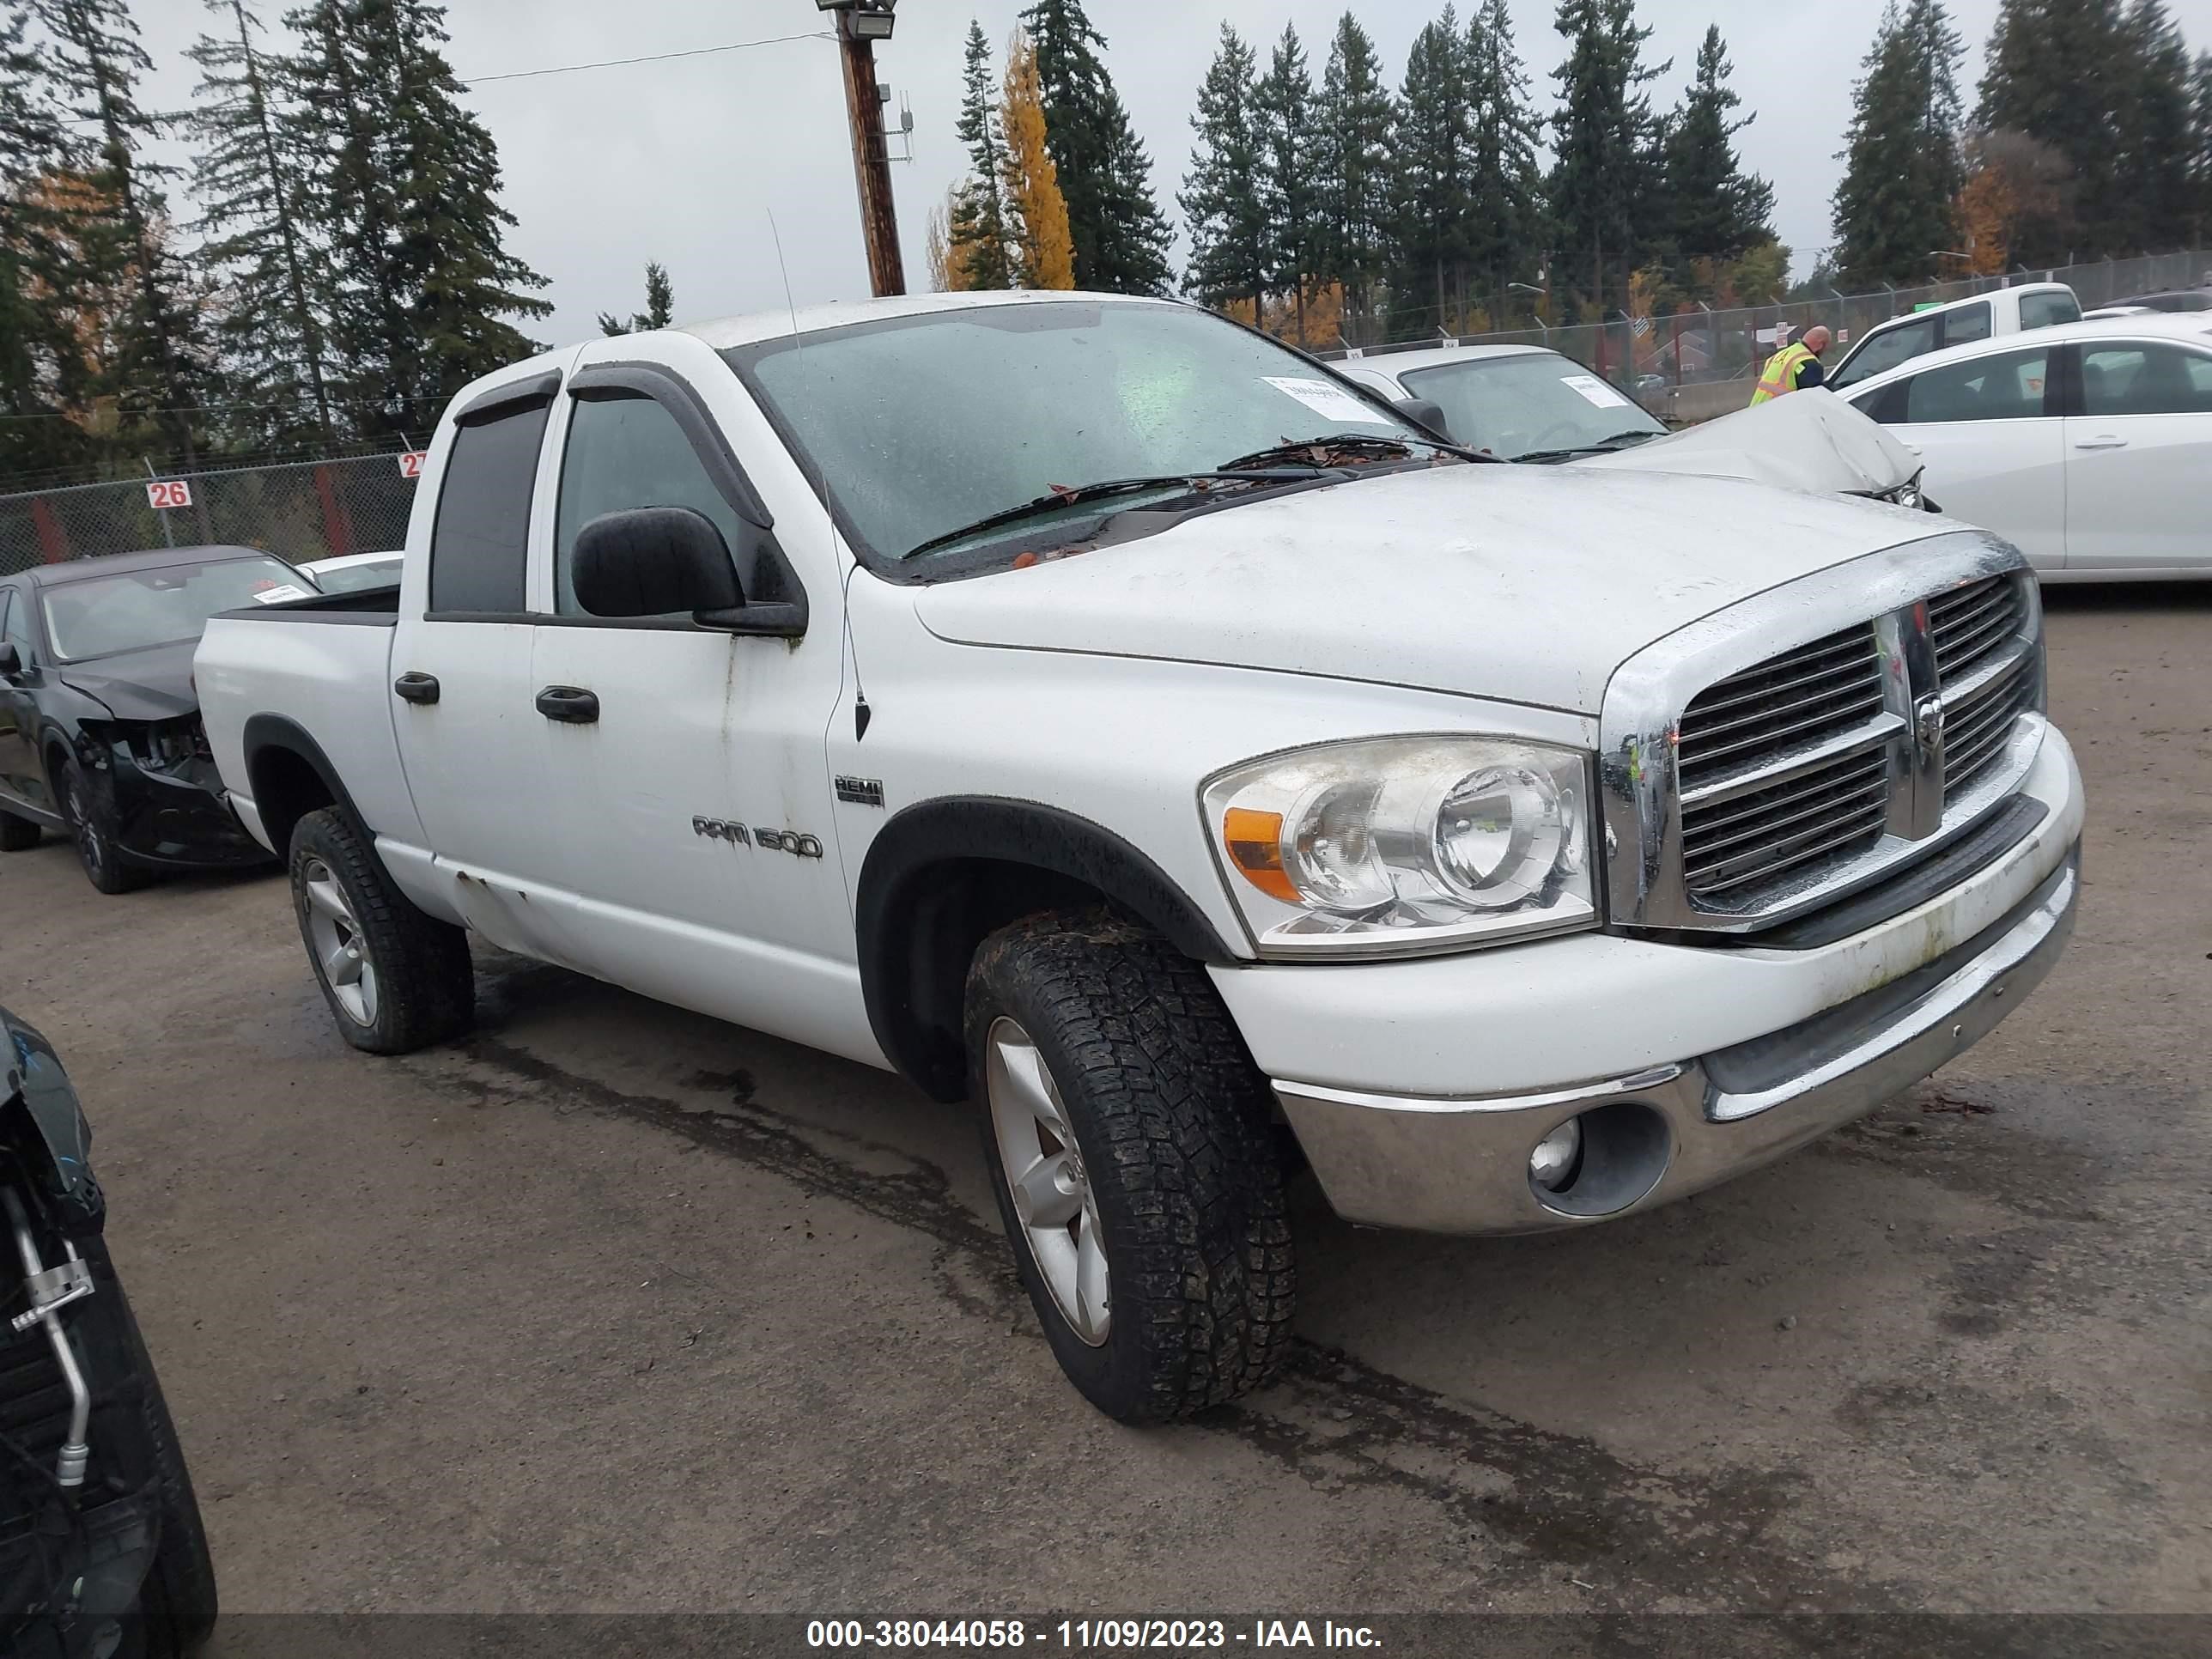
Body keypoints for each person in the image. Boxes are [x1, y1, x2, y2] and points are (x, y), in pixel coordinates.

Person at [1749, 325, 1832, 405]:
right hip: (1779, 415)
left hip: (1755, 411)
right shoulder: (1810, 363)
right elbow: (1814, 401)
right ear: (1821, 345)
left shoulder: (1781, 355)